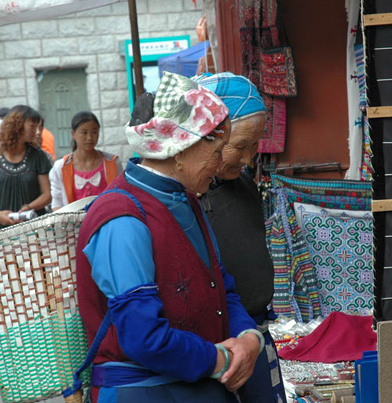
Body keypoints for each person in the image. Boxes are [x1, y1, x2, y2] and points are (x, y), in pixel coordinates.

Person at [74, 72, 263, 403]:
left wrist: (249, 338)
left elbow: (220, 286)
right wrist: (223, 360)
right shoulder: (122, 218)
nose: (221, 165)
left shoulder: (186, 199)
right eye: (217, 151)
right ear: (180, 149)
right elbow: (143, 337)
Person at [195, 72, 287, 402]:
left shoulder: (241, 182)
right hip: (219, 350)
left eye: (254, 146)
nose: (248, 158)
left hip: (256, 336)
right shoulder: (187, 199)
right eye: (239, 147)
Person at [0, 105, 52, 232]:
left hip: (34, 230)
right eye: (32, 126)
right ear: (17, 125)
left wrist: (29, 207)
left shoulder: (38, 156)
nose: (36, 131)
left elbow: (47, 194)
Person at [49, 111, 123, 211]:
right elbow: (57, 203)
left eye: (94, 132)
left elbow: (121, 195)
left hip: (107, 222)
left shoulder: (112, 163)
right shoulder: (60, 167)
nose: (89, 138)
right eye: (84, 132)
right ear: (73, 134)